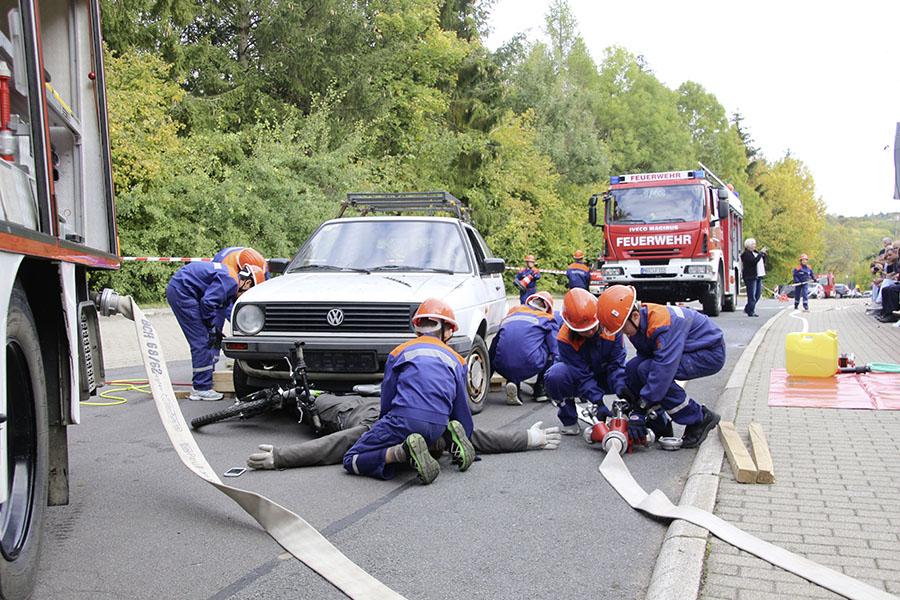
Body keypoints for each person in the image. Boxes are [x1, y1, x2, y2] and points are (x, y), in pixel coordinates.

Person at [342, 299, 474, 484]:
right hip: (439, 424)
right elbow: (460, 405)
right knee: (427, 436)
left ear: (417, 327)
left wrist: (384, 426)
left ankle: (402, 452)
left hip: (405, 420)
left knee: (351, 458)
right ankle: (449, 441)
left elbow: (388, 397)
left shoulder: (399, 352)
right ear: (446, 329)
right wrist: (466, 434)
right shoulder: (458, 360)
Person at [246, 394, 561, 470]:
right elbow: (480, 436)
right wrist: (529, 438)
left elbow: (335, 444)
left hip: (361, 414)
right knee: (308, 402)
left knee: (348, 452)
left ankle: (399, 454)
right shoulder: (434, 419)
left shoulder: (373, 425)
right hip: (387, 411)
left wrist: (280, 456)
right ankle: (431, 444)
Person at [596, 285, 723, 449]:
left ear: (634, 316)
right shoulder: (638, 324)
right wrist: (632, 392)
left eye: (622, 330)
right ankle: (658, 420)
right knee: (633, 368)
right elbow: (644, 358)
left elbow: (662, 371)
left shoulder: (662, 324)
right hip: (687, 351)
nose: (622, 334)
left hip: (708, 352)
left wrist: (641, 409)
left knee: (649, 371)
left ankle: (699, 418)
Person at [166, 262, 265, 400]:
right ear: (247, 283)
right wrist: (209, 325)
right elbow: (208, 303)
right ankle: (201, 388)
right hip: (183, 293)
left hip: (184, 290)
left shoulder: (232, 280)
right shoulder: (230, 282)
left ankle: (206, 378)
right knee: (201, 340)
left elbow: (222, 307)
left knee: (210, 337)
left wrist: (214, 329)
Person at [543, 288, 630, 436]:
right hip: (579, 378)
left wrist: (623, 391)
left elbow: (616, 365)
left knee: (633, 373)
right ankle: (568, 418)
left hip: (606, 374)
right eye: (584, 330)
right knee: (555, 376)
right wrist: (598, 402)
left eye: (592, 328)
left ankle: (633, 414)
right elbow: (581, 374)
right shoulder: (565, 338)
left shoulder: (611, 327)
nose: (589, 333)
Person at [489, 291, 559, 405]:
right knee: (549, 346)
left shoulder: (512, 314)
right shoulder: (547, 318)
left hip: (501, 365)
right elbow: (555, 350)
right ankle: (541, 389)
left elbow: (494, 346)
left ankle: (513, 382)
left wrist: (487, 377)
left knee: (508, 345)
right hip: (529, 363)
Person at [740, 238, 767, 317]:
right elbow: (753, 262)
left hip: (758, 275)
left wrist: (763, 255)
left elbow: (761, 261)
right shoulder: (746, 254)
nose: (754, 246)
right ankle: (751, 311)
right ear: (748, 246)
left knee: (758, 294)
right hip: (750, 276)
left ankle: (748, 308)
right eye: (753, 244)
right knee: (752, 295)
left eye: (754, 244)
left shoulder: (755, 253)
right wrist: (760, 254)